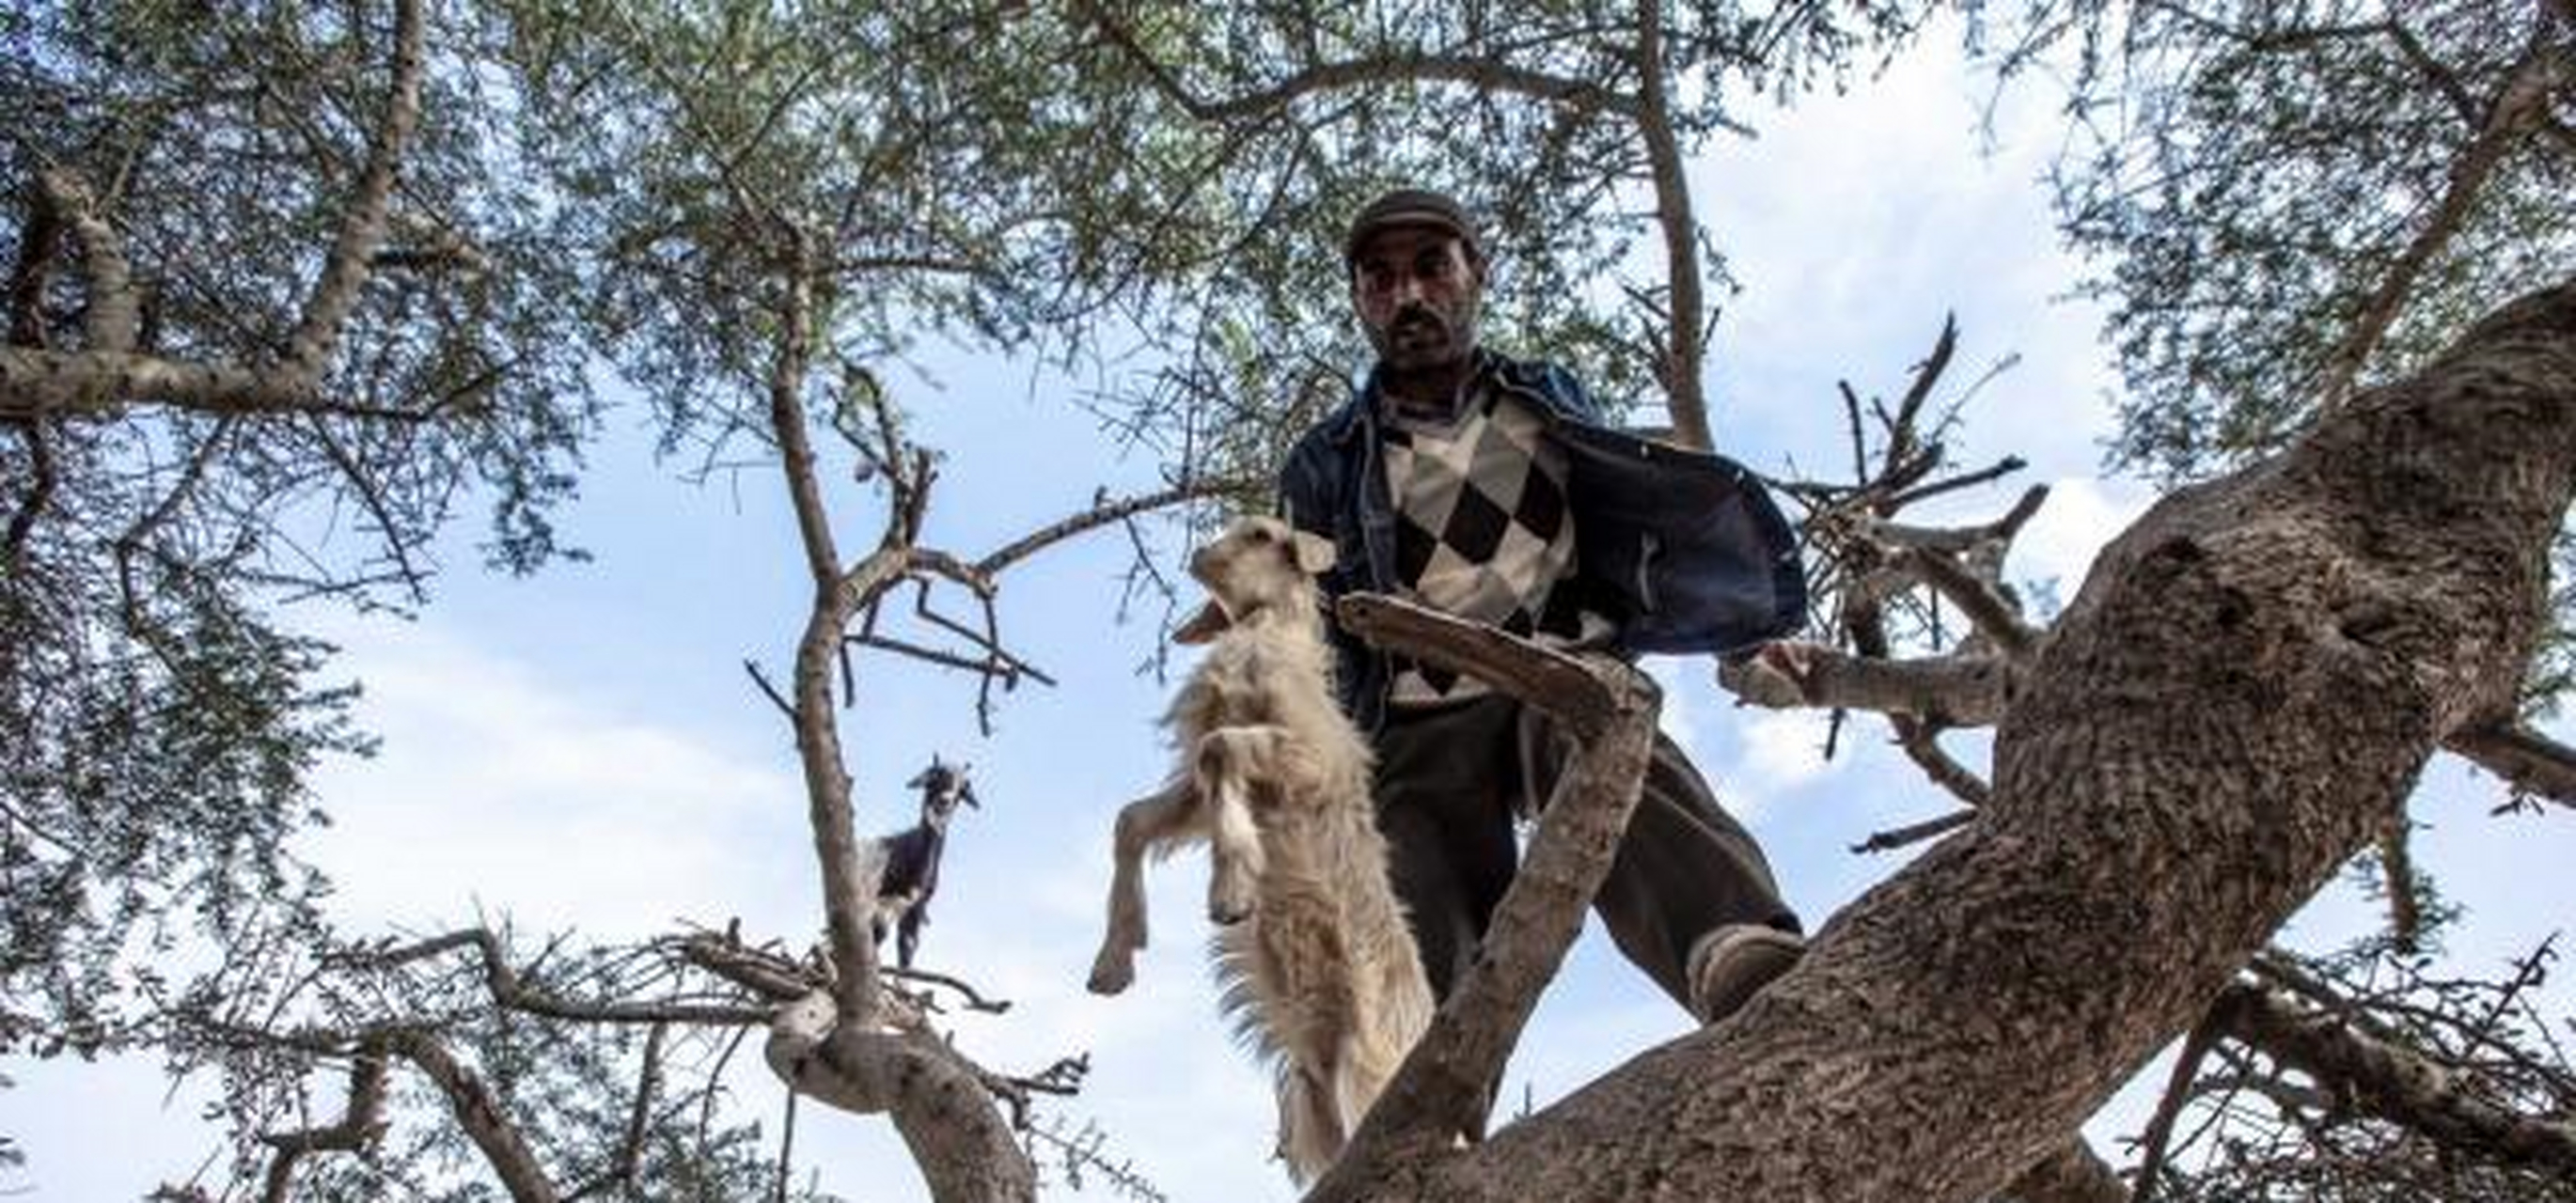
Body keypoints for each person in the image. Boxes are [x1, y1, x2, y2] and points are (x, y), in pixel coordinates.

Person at [1277, 187, 1809, 1025]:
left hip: (1557, 670)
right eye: (1379, 280)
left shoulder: (1543, 395)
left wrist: (1742, 634)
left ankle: (1734, 946)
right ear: (1358, 301)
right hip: (1420, 711)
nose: (1407, 295)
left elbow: (1637, 523)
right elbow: (1310, 627)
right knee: (1413, 884)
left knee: (1609, 744)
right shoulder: (1325, 459)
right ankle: (1425, 1105)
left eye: (1429, 268)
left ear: (1474, 272)